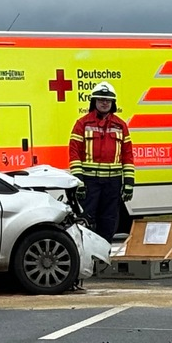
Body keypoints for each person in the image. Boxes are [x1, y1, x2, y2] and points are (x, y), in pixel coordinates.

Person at [68, 81, 134, 241]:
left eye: (108, 100)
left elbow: (127, 155)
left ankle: (104, 253)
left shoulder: (120, 126)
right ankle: (88, 253)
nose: (104, 103)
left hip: (113, 183)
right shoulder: (82, 124)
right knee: (87, 218)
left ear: (112, 103)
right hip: (90, 182)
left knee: (109, 220)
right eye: (101, 100)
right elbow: (74, 153)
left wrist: (129, 183)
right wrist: (79, 182)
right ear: (94, 102)